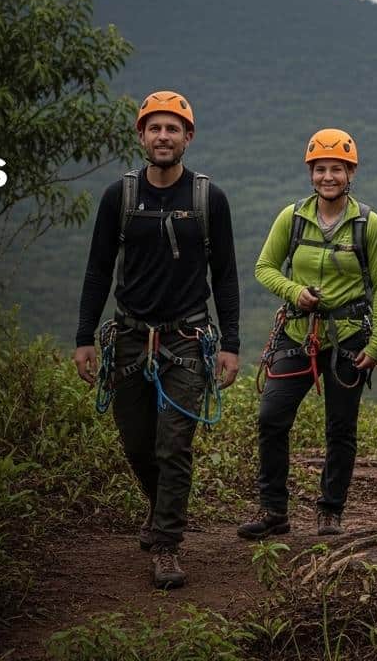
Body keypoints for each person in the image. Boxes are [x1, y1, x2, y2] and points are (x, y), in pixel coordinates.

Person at [73, 90, 241, 589]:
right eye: (154, 128)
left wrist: (231, 344)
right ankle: (159, 508)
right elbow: (98, 270)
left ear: (188, 137)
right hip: (127, 337)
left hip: (187, 339)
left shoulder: (208, 199)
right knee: (137, 444)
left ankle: (167, 544)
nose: (162, 137)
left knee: (173, 446)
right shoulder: (118, 197)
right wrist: (85, 336)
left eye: (172, 129)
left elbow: (226, 276)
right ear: (141, 136)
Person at [240, 128, 377, 539]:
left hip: (349, 336)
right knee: (272, 416)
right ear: (311, 173)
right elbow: (264, 267)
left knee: (340, 427)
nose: (329, 177)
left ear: (350, 172)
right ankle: (274, 510)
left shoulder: (368, 224)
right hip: (297, 332)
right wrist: (295, 292)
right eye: (321, 169)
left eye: (337, 169)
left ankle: (330, 511)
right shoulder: (292, 218)